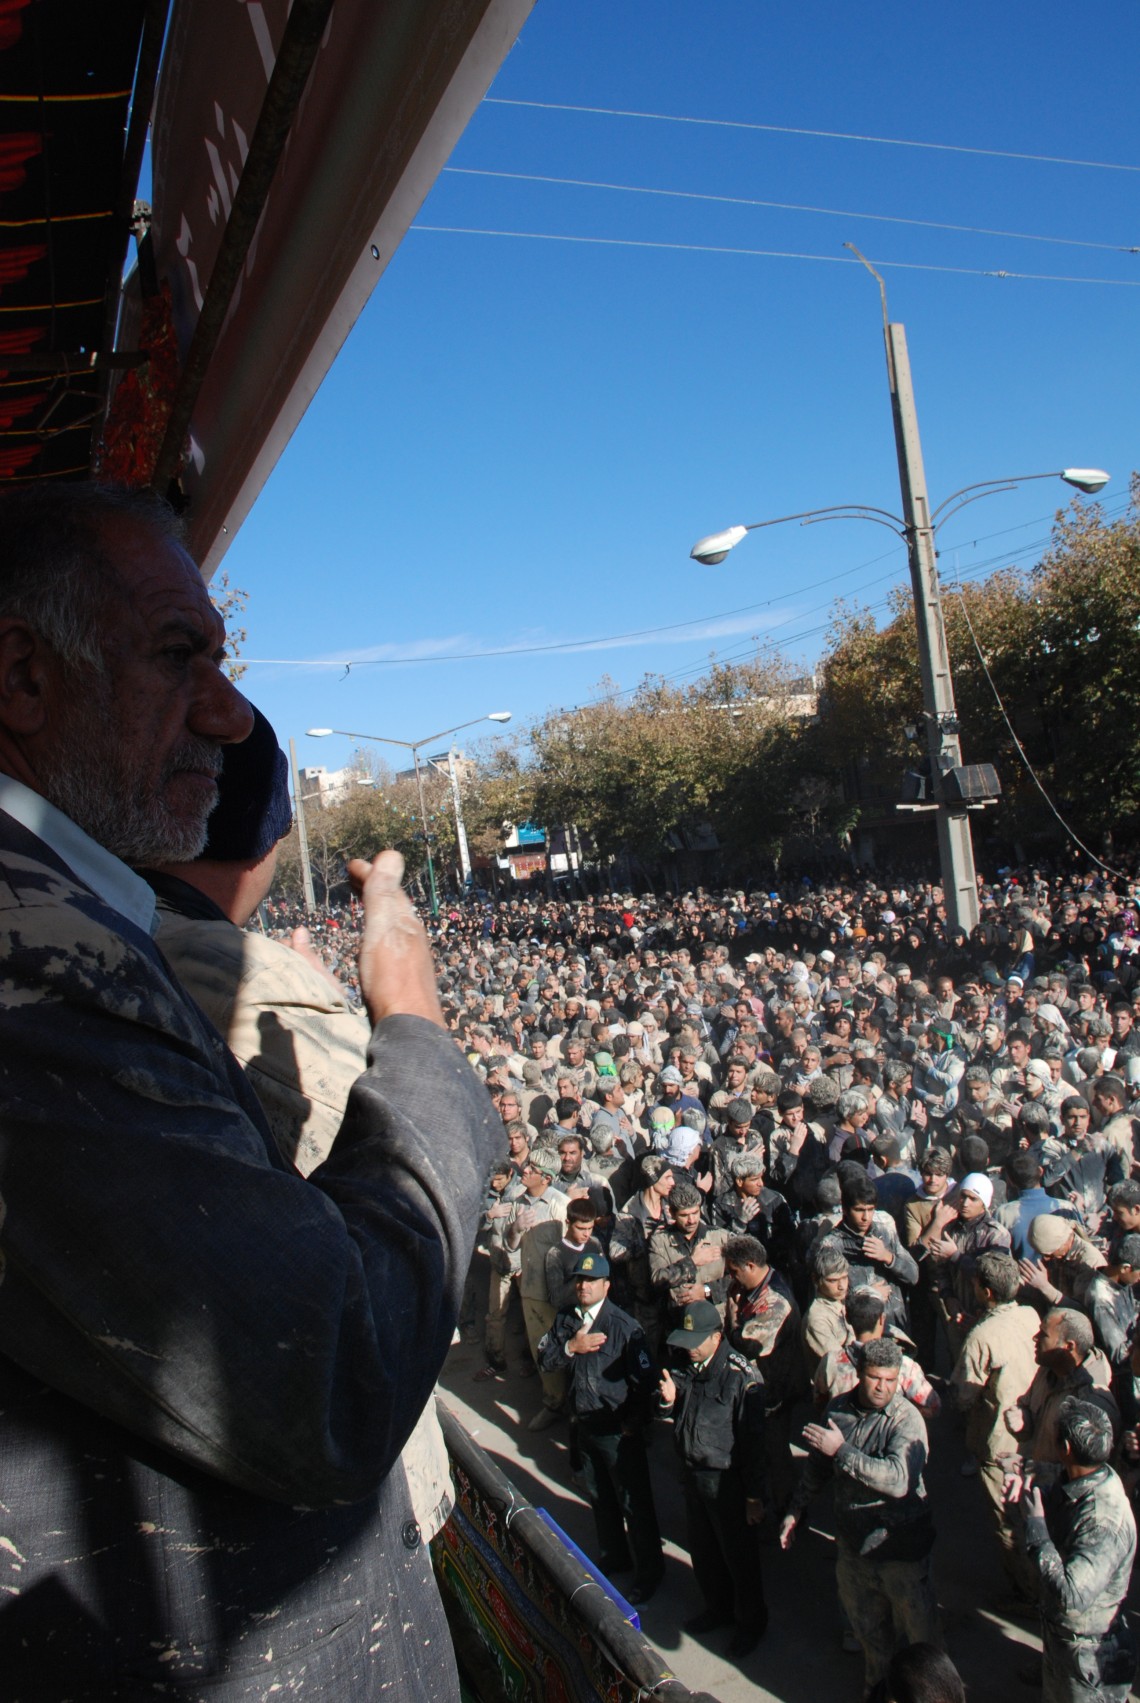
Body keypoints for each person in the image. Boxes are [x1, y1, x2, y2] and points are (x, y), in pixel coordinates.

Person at [0, 483, 499, 1697]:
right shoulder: (37, 963)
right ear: (22, 675)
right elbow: (329, 1365)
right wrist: (412, 1024)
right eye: (179, 654)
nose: (227, 715)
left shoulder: (77, 929)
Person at [780, 1340, 941, 1696]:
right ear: (859, 1373)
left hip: (901, 1554)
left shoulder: (907, 1420)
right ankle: (878, 1691)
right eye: (874, 1378)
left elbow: (898, 1480)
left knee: (923, 1645)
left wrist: (842, 1450)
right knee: (870, 1636)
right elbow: (818, 1465)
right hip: (855, 1551)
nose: (883, 1387)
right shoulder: (838, 1410)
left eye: (890, 1380)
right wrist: (796, 1509)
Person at [537, 1252, 664, 1603]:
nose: (583, 1286)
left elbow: (646, 1385)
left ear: (606, 1285)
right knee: (600, 1496)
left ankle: (649, 1573)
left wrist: (632, 1426)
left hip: (617, 1432)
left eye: (591, 1281)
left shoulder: (624, 1327)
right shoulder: (567, 1318)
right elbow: (545, 1359)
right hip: (584, 1424)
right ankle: (614, 1556)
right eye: (580, 1279)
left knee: (634, 1504)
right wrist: (571, 1346)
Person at [658, 1299, 768, 1659]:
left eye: (696, 1341)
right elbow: (669, 1405)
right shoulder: (686, 1363)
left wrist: (754, 1496)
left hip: (727, 1482)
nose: (689, 1348)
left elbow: (754, 1444)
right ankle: (718, 1609)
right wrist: (667, 1401)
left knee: (739, 1558)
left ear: (717, 1338)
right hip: (692, 1474)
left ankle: (750, 1623)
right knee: (704, 1552)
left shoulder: (740, 1377)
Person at [1015, 1397, 1137, 1703]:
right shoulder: (1088, 1477)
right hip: (1064, 1643)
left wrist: (1036, 1527)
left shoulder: (1102, 1521)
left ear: (1066, 1448)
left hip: (1088, 1658)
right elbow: (1063, 1490)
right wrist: (1031, 1486)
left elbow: (1071, 1597)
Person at [950, 1250, 1041, 1606]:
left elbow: (963, 1396)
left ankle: (1030, 1595)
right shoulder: (1031, 1315)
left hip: (999, 1442)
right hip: (1034, 1435)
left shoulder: (981, 1336)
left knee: (1008, 1522)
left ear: (985, 1291)